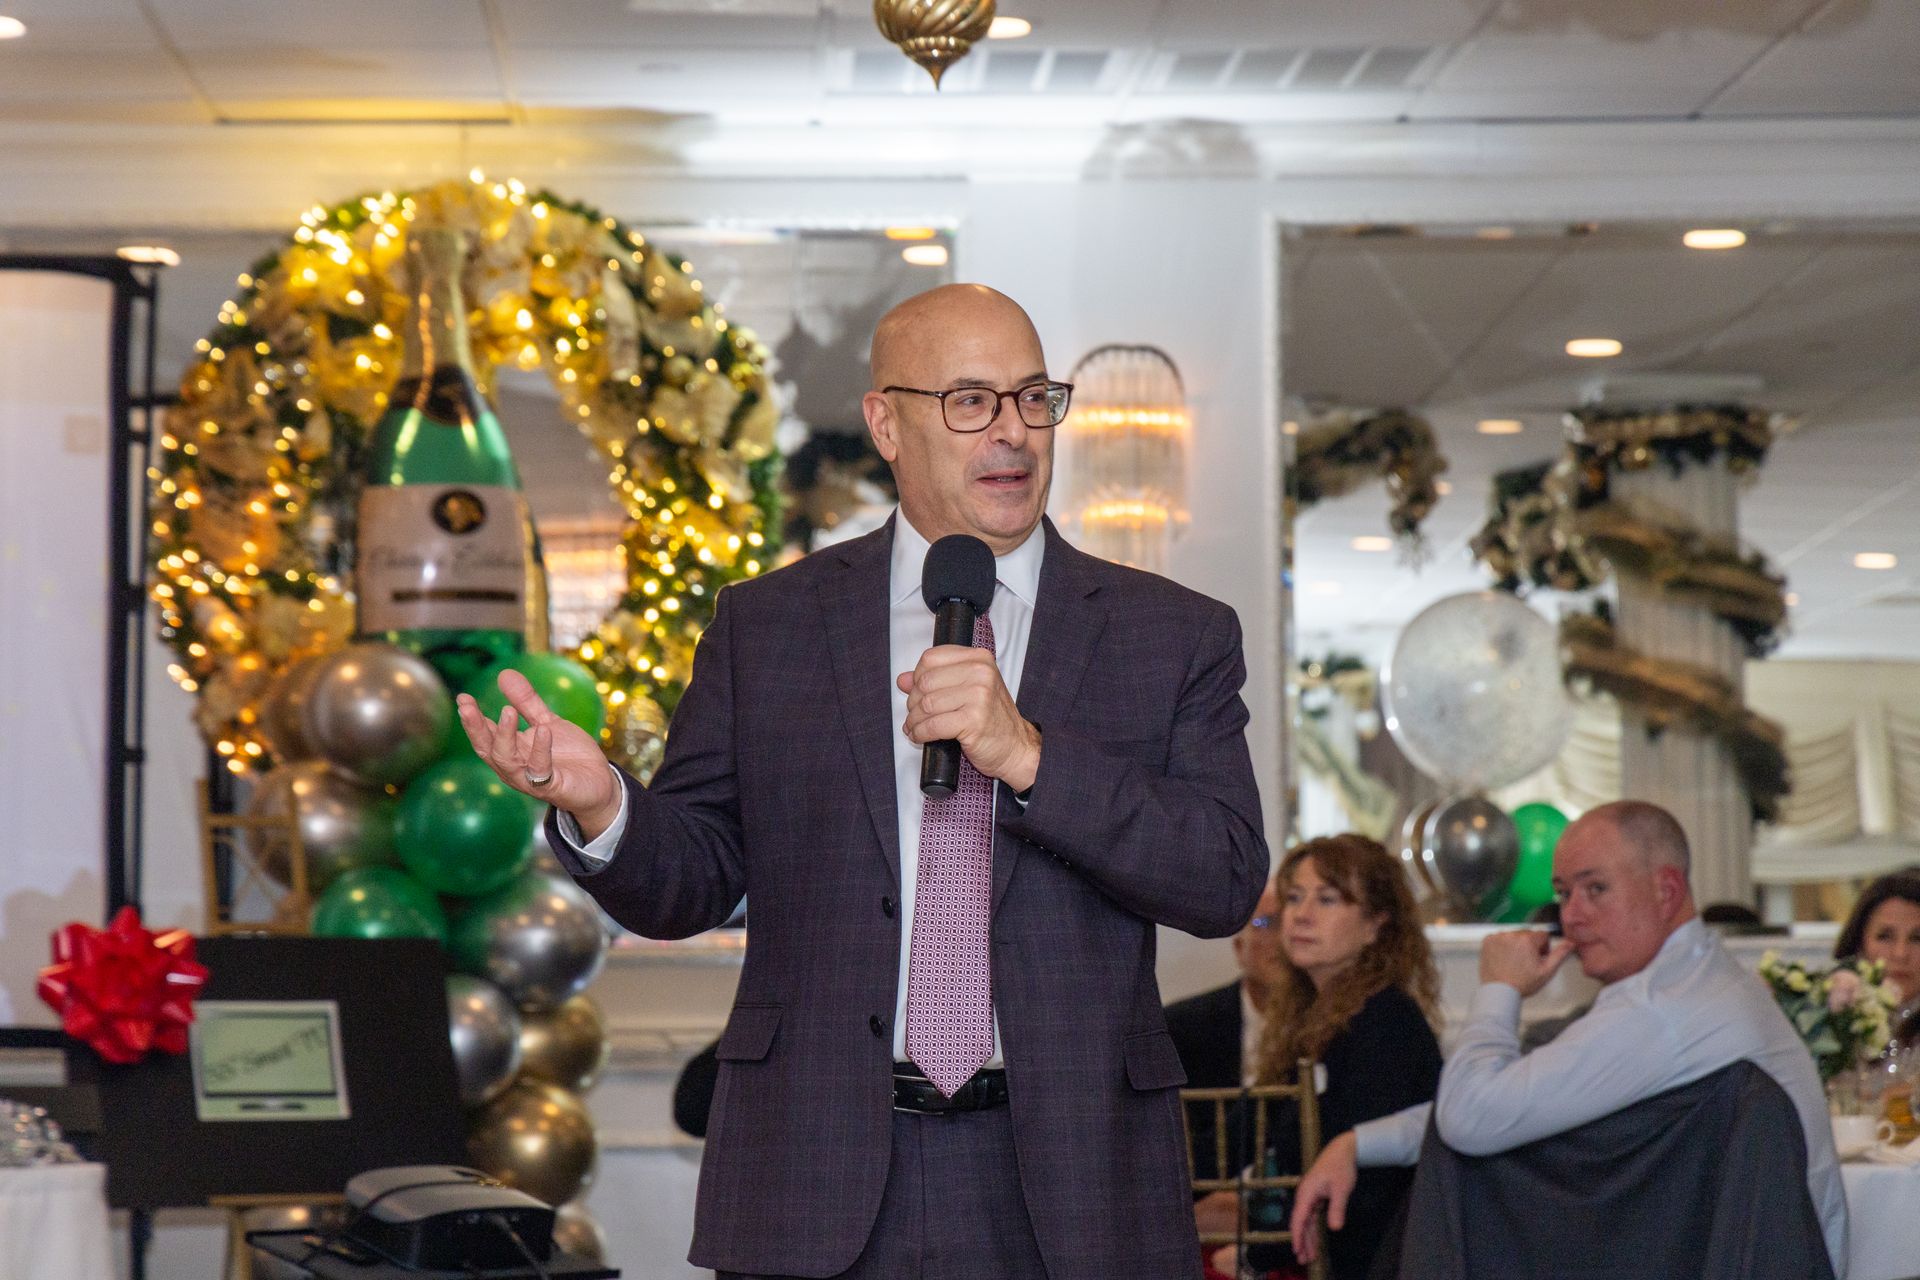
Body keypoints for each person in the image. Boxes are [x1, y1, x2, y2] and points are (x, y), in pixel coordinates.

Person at [456, 283, 1269, 1280]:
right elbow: (695, 877)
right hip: (819, 1167)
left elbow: (1223, 875)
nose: (1012, 433)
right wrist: (602, 803)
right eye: (970, 401)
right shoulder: (769, 626)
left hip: (1069, 1177)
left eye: (1031, 398)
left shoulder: (1170, 634)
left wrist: (1029, 754)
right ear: (887, 421)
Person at [1287, 800, 1847, 1277]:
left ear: (1666, 889)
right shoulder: (1688, 982)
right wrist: (1358, 1143)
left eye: (1595, 889)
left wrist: (1500, 989)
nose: (1572, 916)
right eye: (1563, 893)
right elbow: (1520, 1096)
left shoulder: (1661, 1011)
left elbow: (1470, 1119)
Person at [1219, 836, 1439, 1280]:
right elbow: (1245, 1129)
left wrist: (1253, 1257)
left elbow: (1365, 1189)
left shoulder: (1386, 1019)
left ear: (1376, 925)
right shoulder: (1309, 1017)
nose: (1300, 915)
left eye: (1327, 899)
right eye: (1295, 898)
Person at [1166, 878, 1282, 1184]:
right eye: (1267, 922)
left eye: (1289, 923)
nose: (1281, 938)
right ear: (1238, 946)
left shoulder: (1332, 1023)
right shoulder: (1181, 1027)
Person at [1833, 869, 1920, 1047]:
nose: (1900, 954)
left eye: (1917, 939)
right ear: (1859, 944)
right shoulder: (1827, 1027)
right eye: (1885, 937)